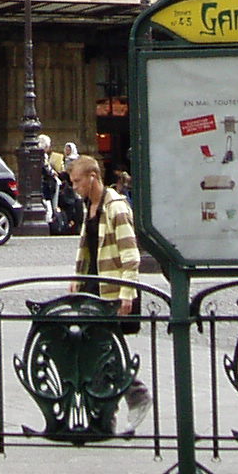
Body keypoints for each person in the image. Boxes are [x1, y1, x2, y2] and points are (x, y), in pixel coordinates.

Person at [69, 154, 151, 431]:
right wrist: (77, 279)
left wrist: (127, 293)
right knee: (99, 351)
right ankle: (108, 415)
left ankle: (126, 402)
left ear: (93, 177)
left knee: (104, 351)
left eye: (77, 181)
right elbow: (88, 249)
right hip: (95, 288)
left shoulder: (115, 207)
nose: (74, 187)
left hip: (112, 291)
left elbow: (131, 256)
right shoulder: (91, 206)